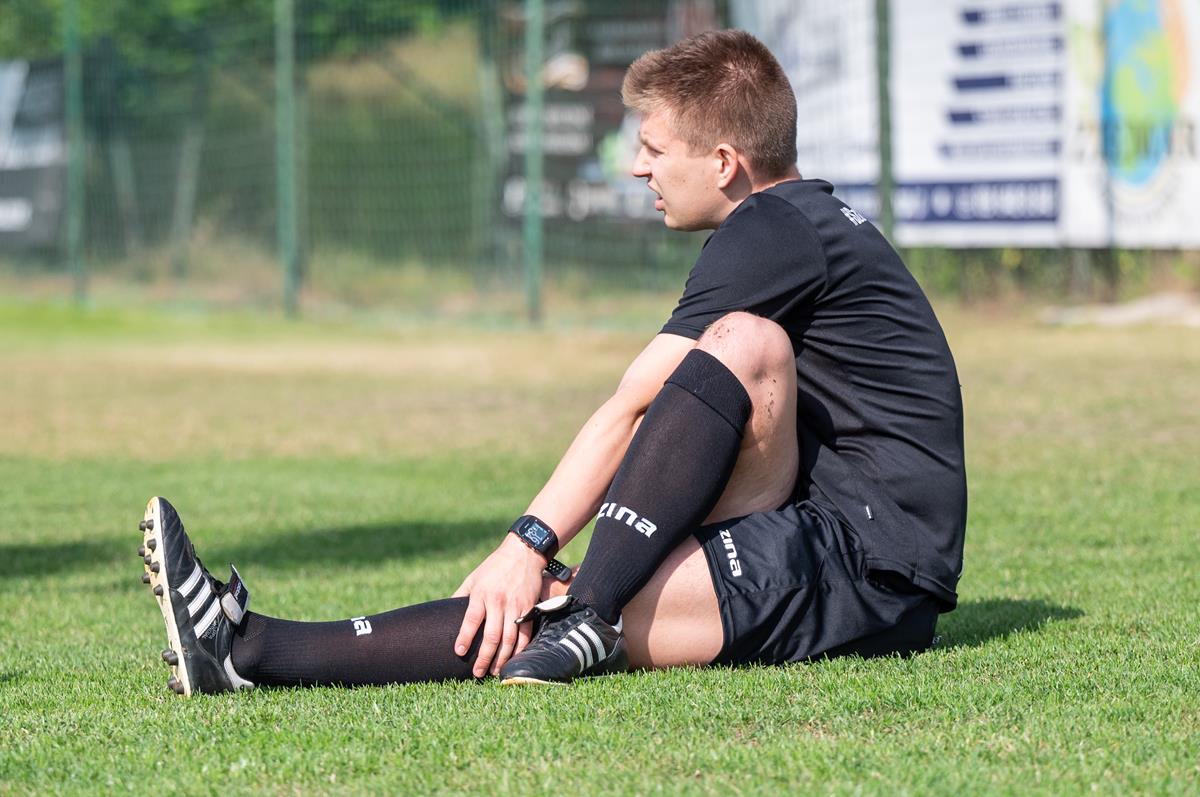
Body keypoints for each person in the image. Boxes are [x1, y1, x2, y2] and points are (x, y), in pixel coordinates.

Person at [138, 29, 966, 695]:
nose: (637, 166)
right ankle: (248, 645)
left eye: (654, 148)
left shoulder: (771, 229)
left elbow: (635, 407)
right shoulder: (801, 221)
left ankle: (249, 648)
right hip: (832, 533)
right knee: (739, 357)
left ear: (723, 163)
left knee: (732, 359)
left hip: (869, 567)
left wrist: (527, 543)